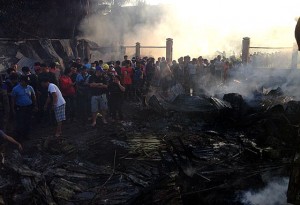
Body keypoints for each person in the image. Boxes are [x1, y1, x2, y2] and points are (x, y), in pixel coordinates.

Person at [11, 75, 37, 141]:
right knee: (20, 122)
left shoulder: (30, 87)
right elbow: (13, 99)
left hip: (29, 107)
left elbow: (33, 96)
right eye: (26, 82)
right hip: (20, 108)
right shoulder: (15, 89)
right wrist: (13, 109)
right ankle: (20, 137)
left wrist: (35, 105)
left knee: (28, 122)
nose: (28, 83)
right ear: (22, 81)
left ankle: (27, 135)